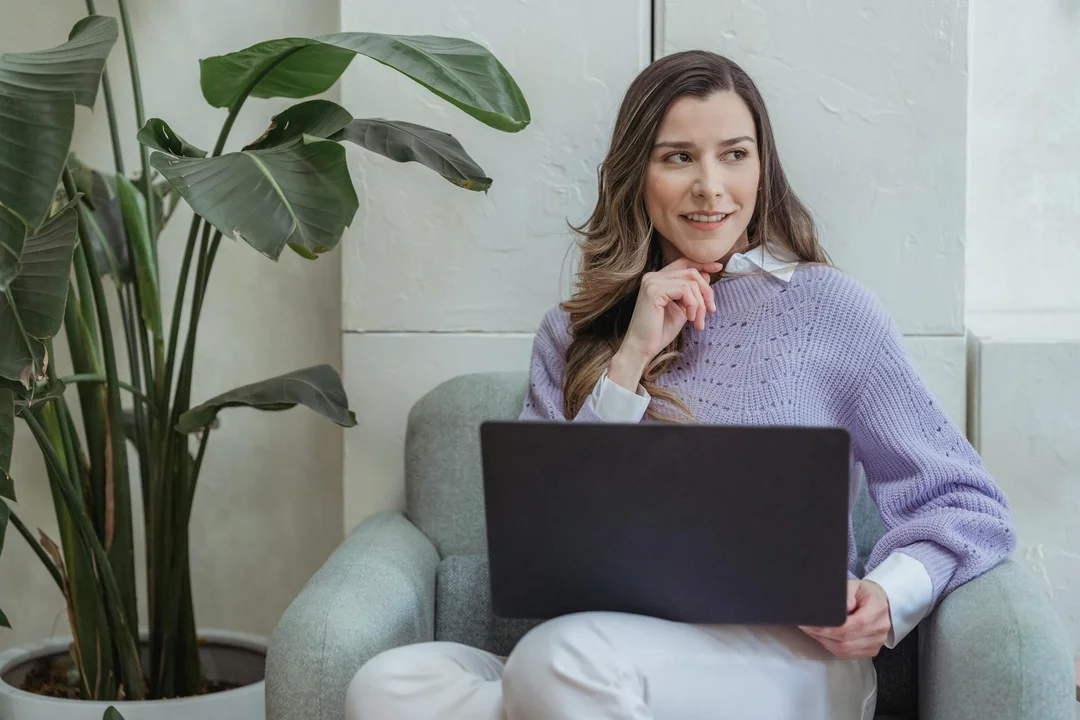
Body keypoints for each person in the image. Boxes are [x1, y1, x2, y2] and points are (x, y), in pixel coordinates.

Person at [344, 50, 1016, 720]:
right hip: (604, 647)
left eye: (734, 155)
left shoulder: (831, 310)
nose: (711, 188)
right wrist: (630, 355)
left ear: (762, 168)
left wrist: (890, 598)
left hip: (796, 658)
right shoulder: (572, 333)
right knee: (391, 685)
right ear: (638, 175)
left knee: (562, 658)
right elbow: (545, 545)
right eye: (678, 158)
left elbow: (963, 500)